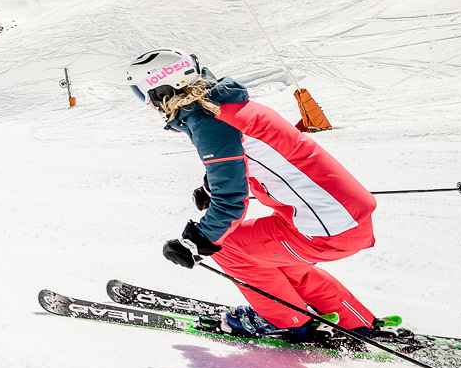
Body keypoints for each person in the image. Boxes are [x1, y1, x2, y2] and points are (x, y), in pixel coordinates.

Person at [125, 49, 395, 342]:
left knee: (227, 246)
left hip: (326, 228)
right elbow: (255, 156)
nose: (147, 103)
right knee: (279, 263)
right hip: (341, 216)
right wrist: (210, 187)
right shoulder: (225, 106)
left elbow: (231, 203)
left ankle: (285, 321)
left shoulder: (210, 121)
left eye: (143, 93)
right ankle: (355, 322)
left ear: (161, 89)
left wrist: (196, 242)